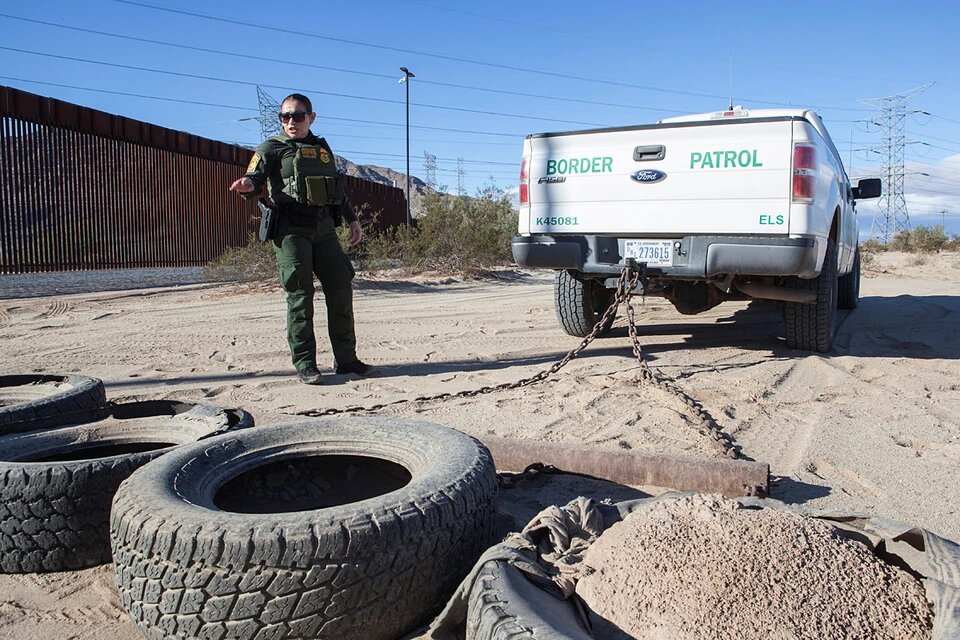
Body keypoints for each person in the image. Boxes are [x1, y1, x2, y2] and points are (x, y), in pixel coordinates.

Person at [229, 93, 374, 385]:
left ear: (311, 117)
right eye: (285, 116)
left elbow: (337, 188)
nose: (291, 122)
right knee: (300, 296)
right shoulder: (272, 147)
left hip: (324, 228)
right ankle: (306, 363)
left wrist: (353, 219)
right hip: (291, 230)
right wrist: (247, 185)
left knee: (341, 287)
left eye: (297, 115)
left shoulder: (321, 148)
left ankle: (346, 360)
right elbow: (254, 177)